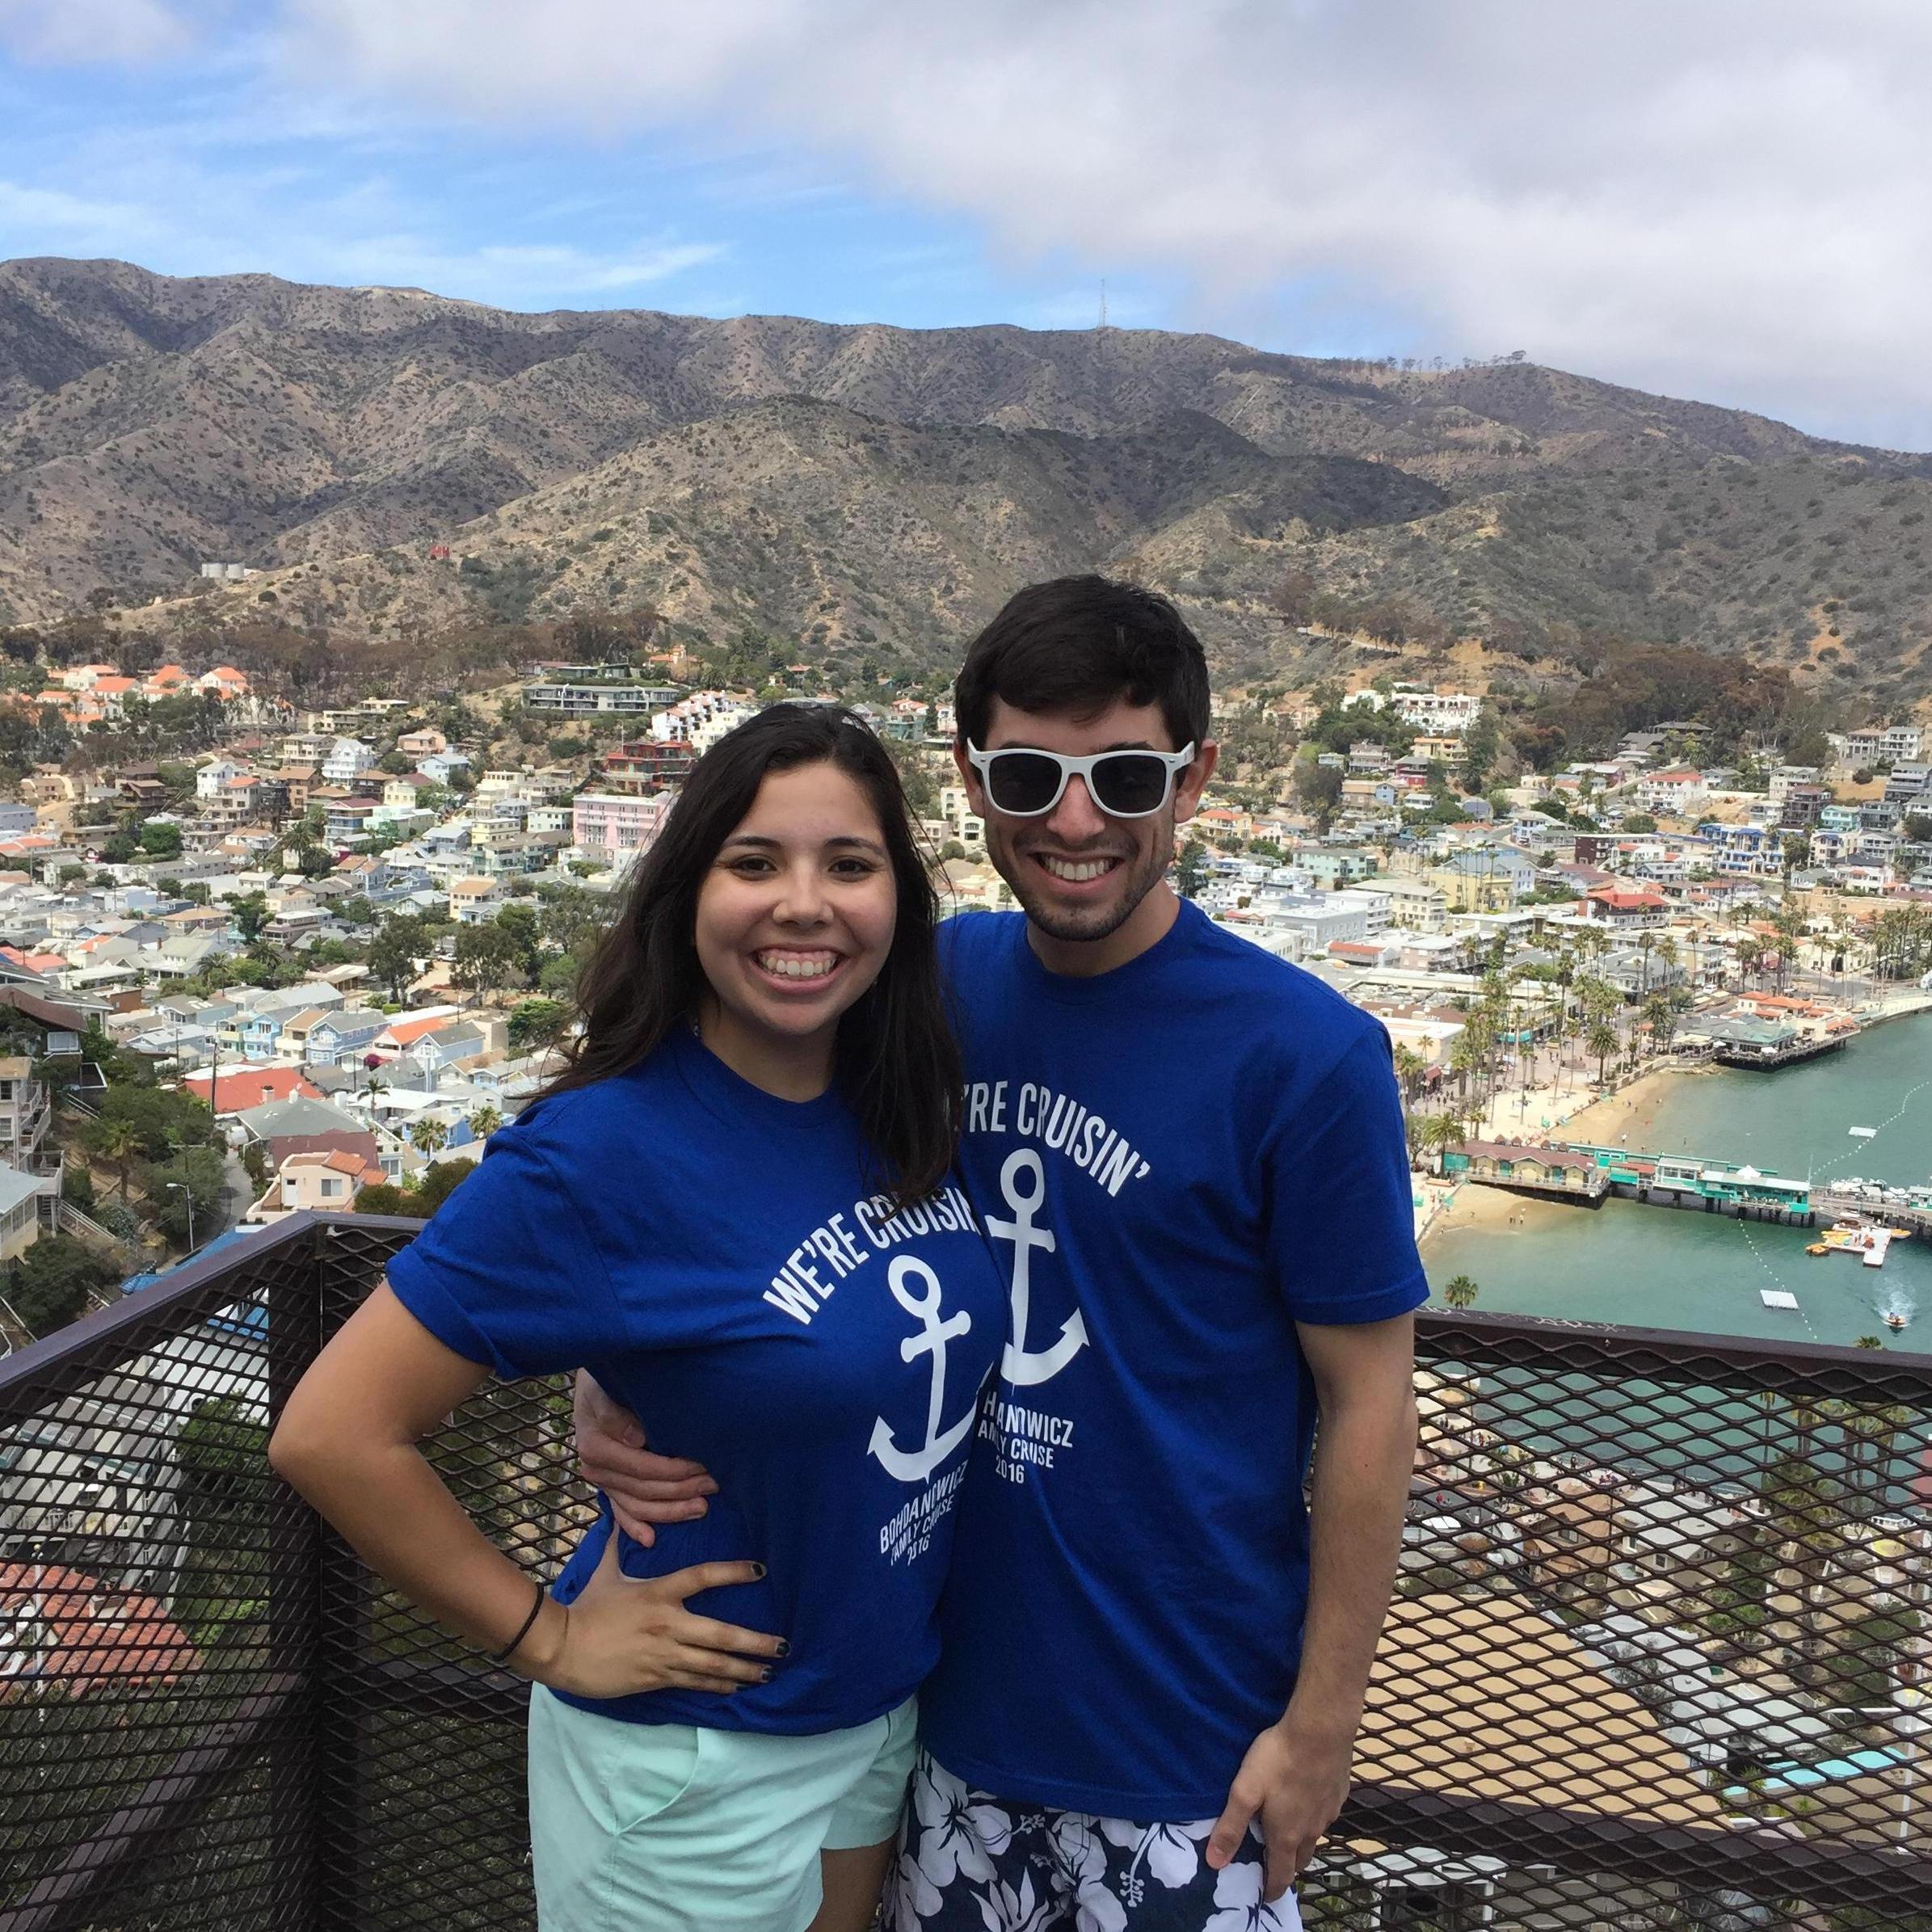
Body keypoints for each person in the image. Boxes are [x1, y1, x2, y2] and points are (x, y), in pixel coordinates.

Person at [583, 579, 1426, 1930]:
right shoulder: (924, 991)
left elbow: (1371, 1407)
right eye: (1031, 773)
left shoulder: (1306, 1057)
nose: (1075, 821)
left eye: (1125, 776)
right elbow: (727, 1171)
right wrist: (612, 1374)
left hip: (1186, 1761)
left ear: (1196, 777)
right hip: (933, 1735)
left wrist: (1322, 1727)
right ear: (972, 778)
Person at [270, 703, 1008, 1932]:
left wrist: (620, 1371)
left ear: (899, 902)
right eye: (756, 862)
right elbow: (333, 1432)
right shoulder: (603, 1153)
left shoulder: (896, 1103)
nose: (805, 904)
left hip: (873, 1716)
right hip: (690, 1763)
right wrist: (547, 1639)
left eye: (851, 864)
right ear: (688, 889)